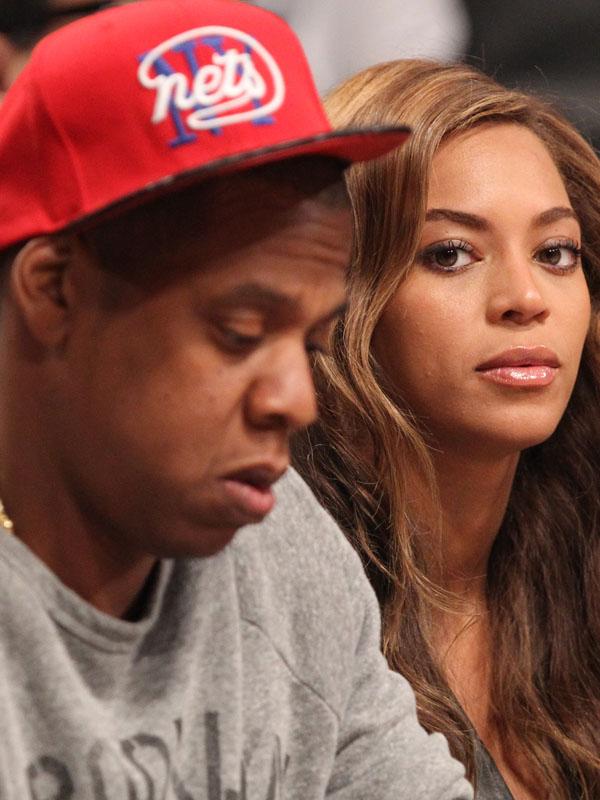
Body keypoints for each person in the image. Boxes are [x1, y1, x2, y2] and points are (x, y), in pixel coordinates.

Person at [0, 2, 475, 798]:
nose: (295, 401)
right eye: (237, 332)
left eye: (314, 342)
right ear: (55, 291)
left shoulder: (279, 536)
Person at [293, 59, 600, 799]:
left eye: (555, 253)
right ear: (338, 292)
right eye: (450, 254)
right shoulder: (277, 591)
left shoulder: (580, 540)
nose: (526, 298)